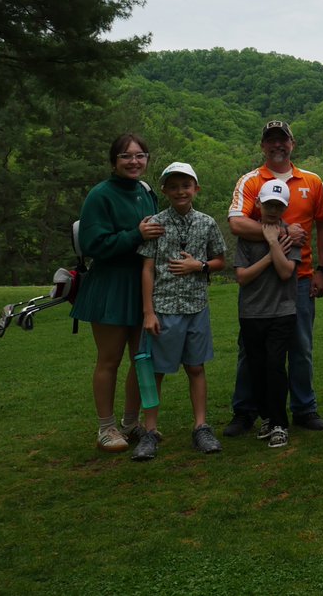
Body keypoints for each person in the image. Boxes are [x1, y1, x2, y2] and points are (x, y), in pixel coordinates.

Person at [226, 120, 323, 435]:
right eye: (270, 140)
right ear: (262, 146)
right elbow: (237, 224)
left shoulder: (311, 181)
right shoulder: (251, 181)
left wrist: (322, 270)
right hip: (259, 282)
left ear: (292, 144)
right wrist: (284, 232)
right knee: (250, 349)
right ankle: (245, 411)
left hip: (300, 277)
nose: (277, 145)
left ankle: (304, 408)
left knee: (301, 346)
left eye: (282, 139)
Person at [73, 135, 163, 452]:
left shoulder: (146, 192)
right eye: (126, 156)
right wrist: (135, 234)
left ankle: (131, 423)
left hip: (142, 285)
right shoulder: (100, 195)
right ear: (114, 161)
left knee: (142, 359)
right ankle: (106, 428)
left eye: (140, 155)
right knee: (109, 359)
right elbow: (93, 244)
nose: (134, 161)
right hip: (111, 285)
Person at [133, 162, 227, 461]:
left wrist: (198, 266)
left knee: (196, 367)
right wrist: (148, 312)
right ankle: (150, 431)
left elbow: (220, 261)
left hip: (195, 306)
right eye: (173, 187)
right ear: (164, 191)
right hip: (163, 308)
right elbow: (147, 269)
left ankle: (201, 427)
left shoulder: (206, 223)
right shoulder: (156, 224)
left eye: (186, 186)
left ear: (196, 189)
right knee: (156, 371)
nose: (180, 192)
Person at [233, 179, 301, 449]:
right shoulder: (246, 238)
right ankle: (267, 418)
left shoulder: (292, 236)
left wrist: (274, 242)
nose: (273, 210)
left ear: (285, 207)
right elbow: (242, 277)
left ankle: (279, 423)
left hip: (281, 311)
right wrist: (271, 251)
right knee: (257, 368)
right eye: (269, 205)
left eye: (279, 206)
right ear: (258, 203)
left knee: (275, 366)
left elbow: (286, 272)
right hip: (251, 312)